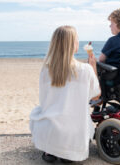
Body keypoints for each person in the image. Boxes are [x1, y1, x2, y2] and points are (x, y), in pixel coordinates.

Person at [29, 25, 100, 163]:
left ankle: (50, 149)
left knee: (37, 113)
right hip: (74, 133)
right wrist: (93, 66)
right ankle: (65, 153)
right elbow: (96, 96)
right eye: (77, 39)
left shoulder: (46, 69)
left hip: (49, 129)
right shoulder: (85, 70)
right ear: (73, 44)